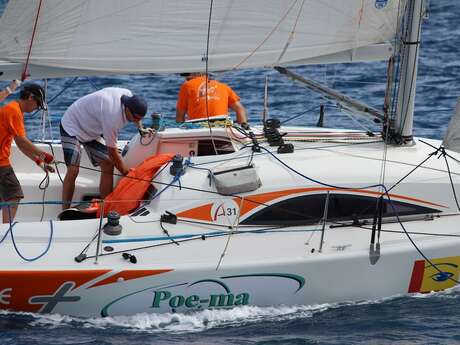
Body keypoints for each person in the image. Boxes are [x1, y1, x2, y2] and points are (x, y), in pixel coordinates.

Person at [60, 87, 148, 210]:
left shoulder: (128, 95)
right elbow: (113, 153)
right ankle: (65, 210)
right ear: (127, 108)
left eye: (140, 118)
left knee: (108, 164)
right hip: (72, 126)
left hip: (92, 130)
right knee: (73, 169)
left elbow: (136, 115)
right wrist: (127, 175)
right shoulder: (113, 117)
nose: (136, 120)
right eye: (135, 118)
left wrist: (140, 128)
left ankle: (106, 207)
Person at [0, 83, 55, 223]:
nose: (37, 107)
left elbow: (20, 145)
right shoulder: (13, 111)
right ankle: (6, 232)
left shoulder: (15, 110)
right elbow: (22, 141)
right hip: (1, 163)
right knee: (14, 195)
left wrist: (40, 163)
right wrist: (44, 154)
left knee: (5, 197)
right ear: (30, 98)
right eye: (37, 104)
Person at [176, 72, 248, 126]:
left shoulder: (187, 86)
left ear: (200, 74)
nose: (186, 81)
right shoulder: (224, 86)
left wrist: (179, 130)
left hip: (197, 127)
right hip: (222, 126)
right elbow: (240, 109)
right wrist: (243, 126)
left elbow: (180, 114)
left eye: (188, 78)